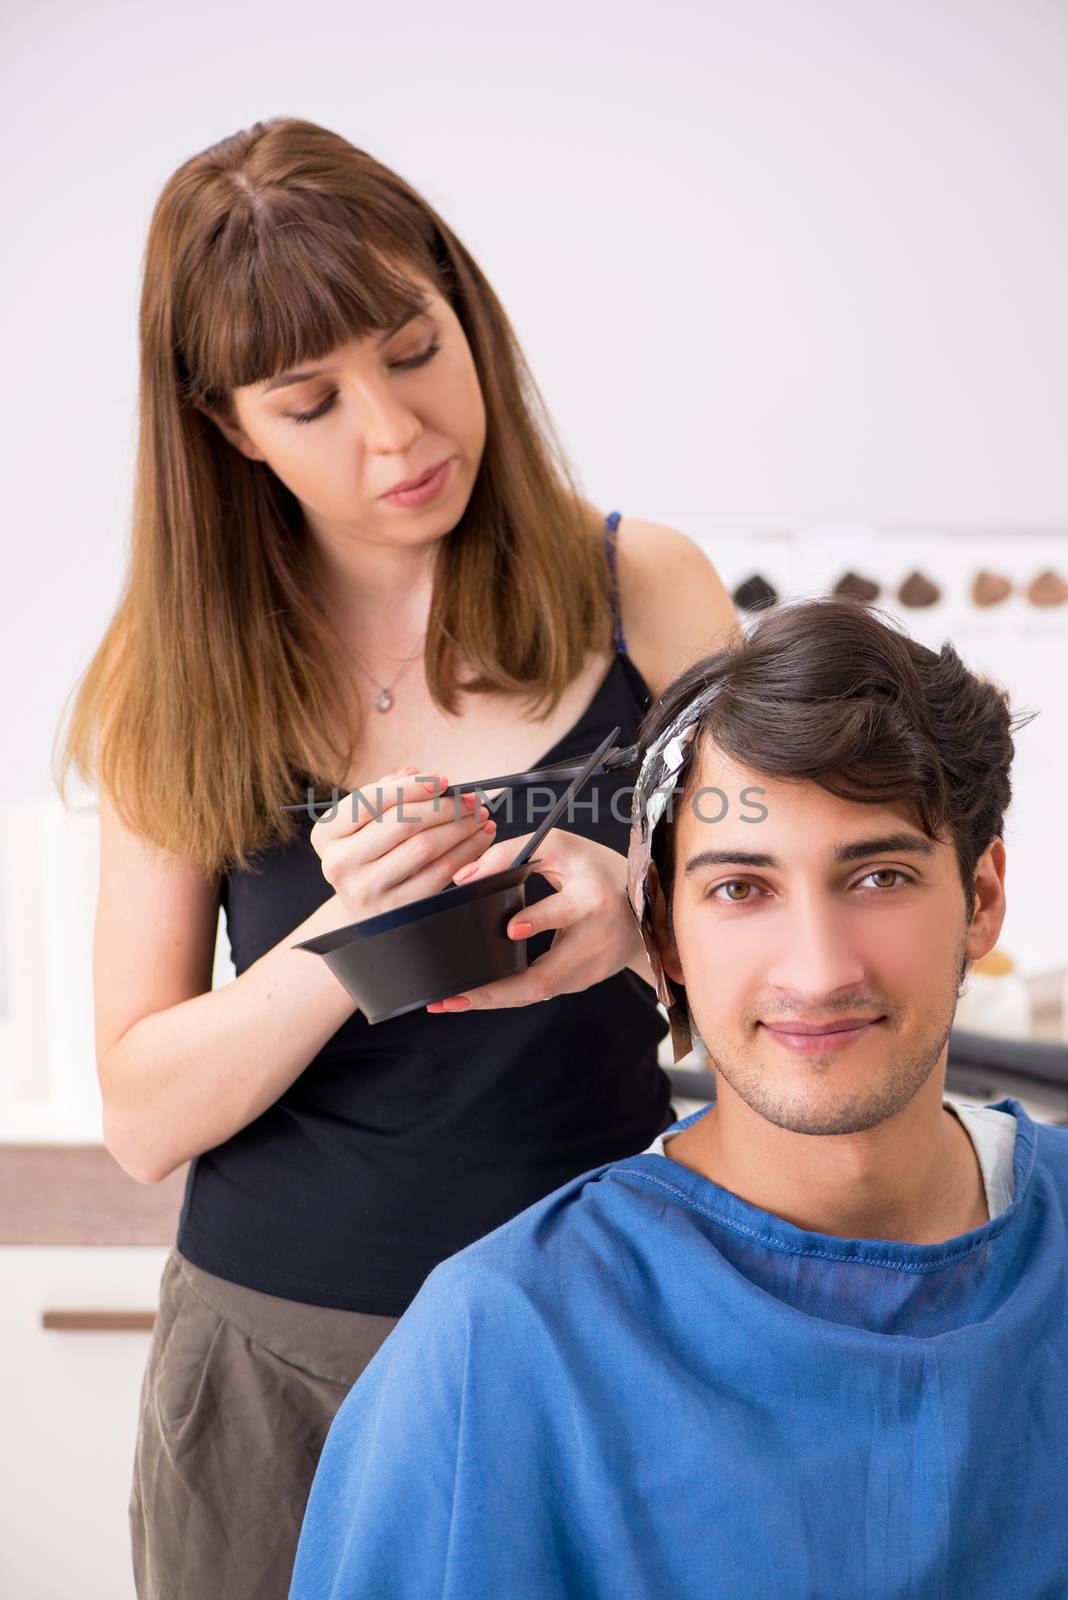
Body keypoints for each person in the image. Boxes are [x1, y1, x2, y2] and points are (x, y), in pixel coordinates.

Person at [53, 116, 738, 1598]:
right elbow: (142, 1111)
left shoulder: (646, 588)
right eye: (310, 401)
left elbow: (780, 953)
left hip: (603, 1322)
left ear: (467, 313)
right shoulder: (181, 675)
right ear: (229, 427)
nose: (397, 434)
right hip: (276, 1366)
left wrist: (649, 917)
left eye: (416, 351)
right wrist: (345, 937)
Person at [289, 595, 1068, 1600]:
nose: (818, 970)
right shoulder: (509, 1340)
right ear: (660, 936)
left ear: (983, 898)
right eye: (741, 888)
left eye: (878, 876)